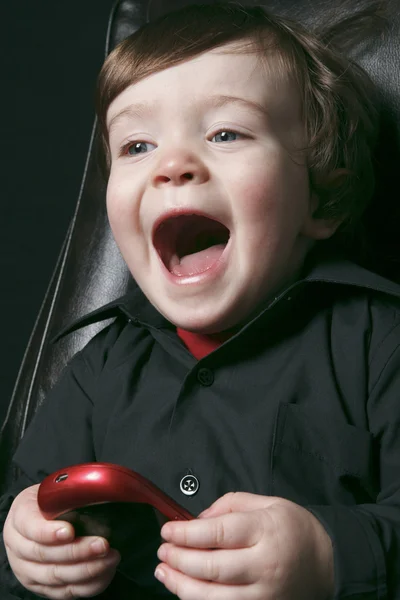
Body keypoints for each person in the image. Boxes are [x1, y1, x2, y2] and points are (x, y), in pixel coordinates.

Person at [1, 2, 399, 599]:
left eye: (225, 133)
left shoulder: (380, 342)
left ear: (320, 199)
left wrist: (328, 554)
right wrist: (25, 543)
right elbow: (27, 500)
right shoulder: (99, 365)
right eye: (136, 146)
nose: (172, 166)